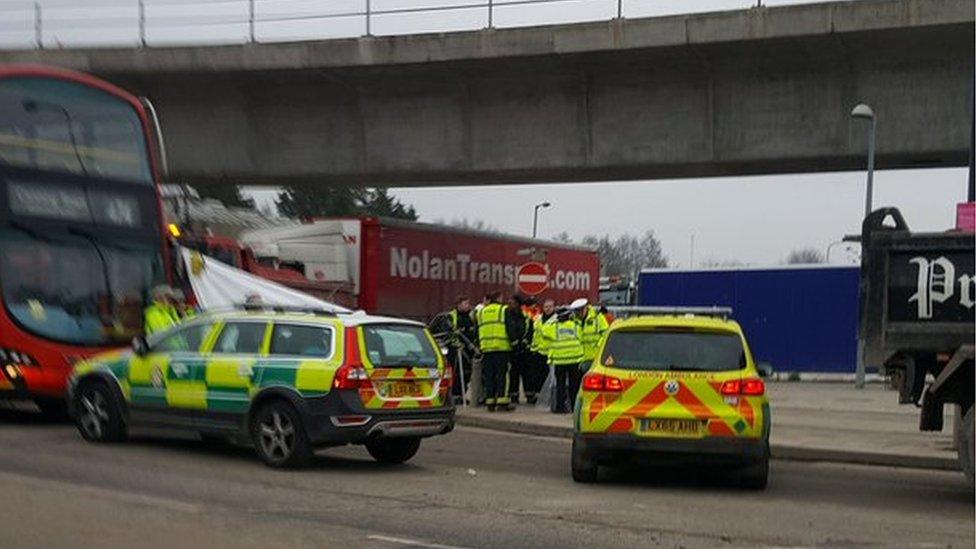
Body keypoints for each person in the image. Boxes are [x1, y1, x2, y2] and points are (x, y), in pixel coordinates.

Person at [476, 291, 519, 412]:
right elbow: (510, 327)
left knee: (489, 376)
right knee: (502, 375)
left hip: (486, 348)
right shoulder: (503, 310)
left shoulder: (481, 312)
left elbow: (478, 330)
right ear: (499, 298)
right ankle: (502, 401)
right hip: (501, 347)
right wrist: (514, 342)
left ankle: (490, 402)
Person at [544, 306, 584, 413]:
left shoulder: (554, 327)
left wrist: (552, 318)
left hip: (559, 361)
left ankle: (560, 408)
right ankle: (574, 408)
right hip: (574, 360)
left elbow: (544, 330)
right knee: (573, 386)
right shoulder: (575, 326)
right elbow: (581, 337)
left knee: (560, 385)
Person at [447, 296, 478, 403]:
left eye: (468, 304)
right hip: (457, 351)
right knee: (456, 373)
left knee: (466, 373)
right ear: (458, 304)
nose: (467, 306)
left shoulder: (471, 316)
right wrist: (457, 345)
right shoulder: (452, 316)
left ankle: (461, 394)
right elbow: (448, 334)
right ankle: (455, 395)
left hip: (469, 350)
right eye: (465, 303)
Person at [525, 298, 556, 404]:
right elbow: (532, 333)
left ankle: (548, 398)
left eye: (550, 307)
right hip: (537, 351)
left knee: (549, 377)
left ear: (554, 307)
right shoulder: (537, 319)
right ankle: (538, 397)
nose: (548, 309)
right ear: (543, 308)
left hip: (550, 352)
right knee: (537, 376)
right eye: (546, 307)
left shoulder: (556, 319)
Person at [506, 294, 531, 405]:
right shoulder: (507, 315)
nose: (510, 305)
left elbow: (530, 330)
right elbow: (508, 330)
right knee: (513, 374)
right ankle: (513, 395)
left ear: (518, 304)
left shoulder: (525, 316)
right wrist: (514, 342)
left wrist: (525, 342)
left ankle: (529, 394)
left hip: (523, 349)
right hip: (511, 349)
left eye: (512, 303)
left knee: (526, 373)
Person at [573, 297, 609, 374]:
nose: (578, 313)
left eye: (580, 310)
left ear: (586, 307)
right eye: (577, 311)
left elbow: (606, 333)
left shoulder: (597, 317)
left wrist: (599, 346)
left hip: (594, 356)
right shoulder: (574, 320)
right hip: (578, 357)